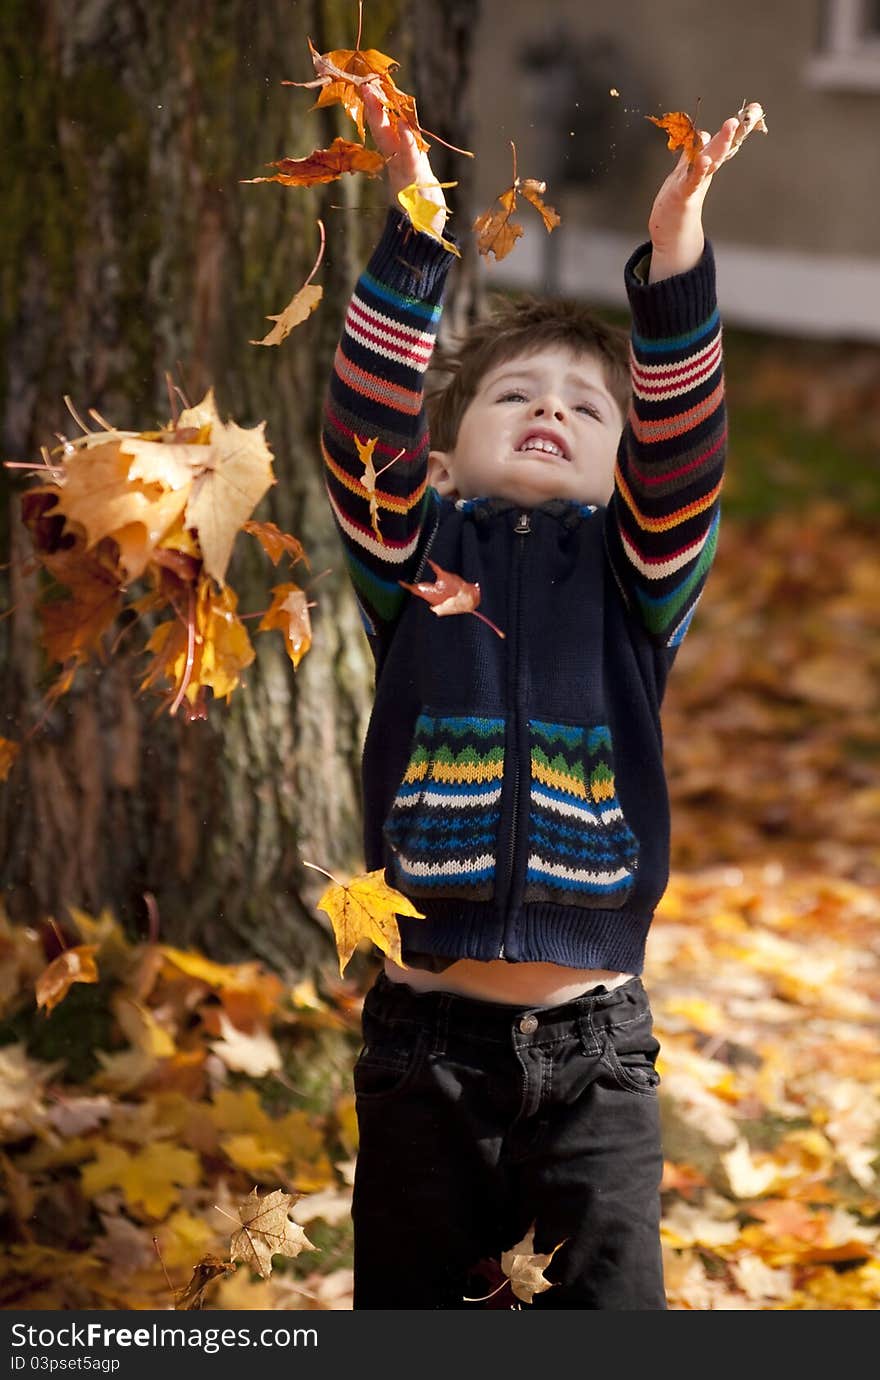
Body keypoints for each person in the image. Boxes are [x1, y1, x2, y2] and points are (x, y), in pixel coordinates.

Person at [320, 82, 739, 1309]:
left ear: (624, 466)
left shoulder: (635, 576)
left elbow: (688, 447)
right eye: (515, 395)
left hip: (594, 1054)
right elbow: (361, 423)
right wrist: (413, 225)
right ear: (447, 456)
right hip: (422, 1053)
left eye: (585, 405)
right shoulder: (413, 553)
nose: (550, 407)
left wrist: (674, 260)